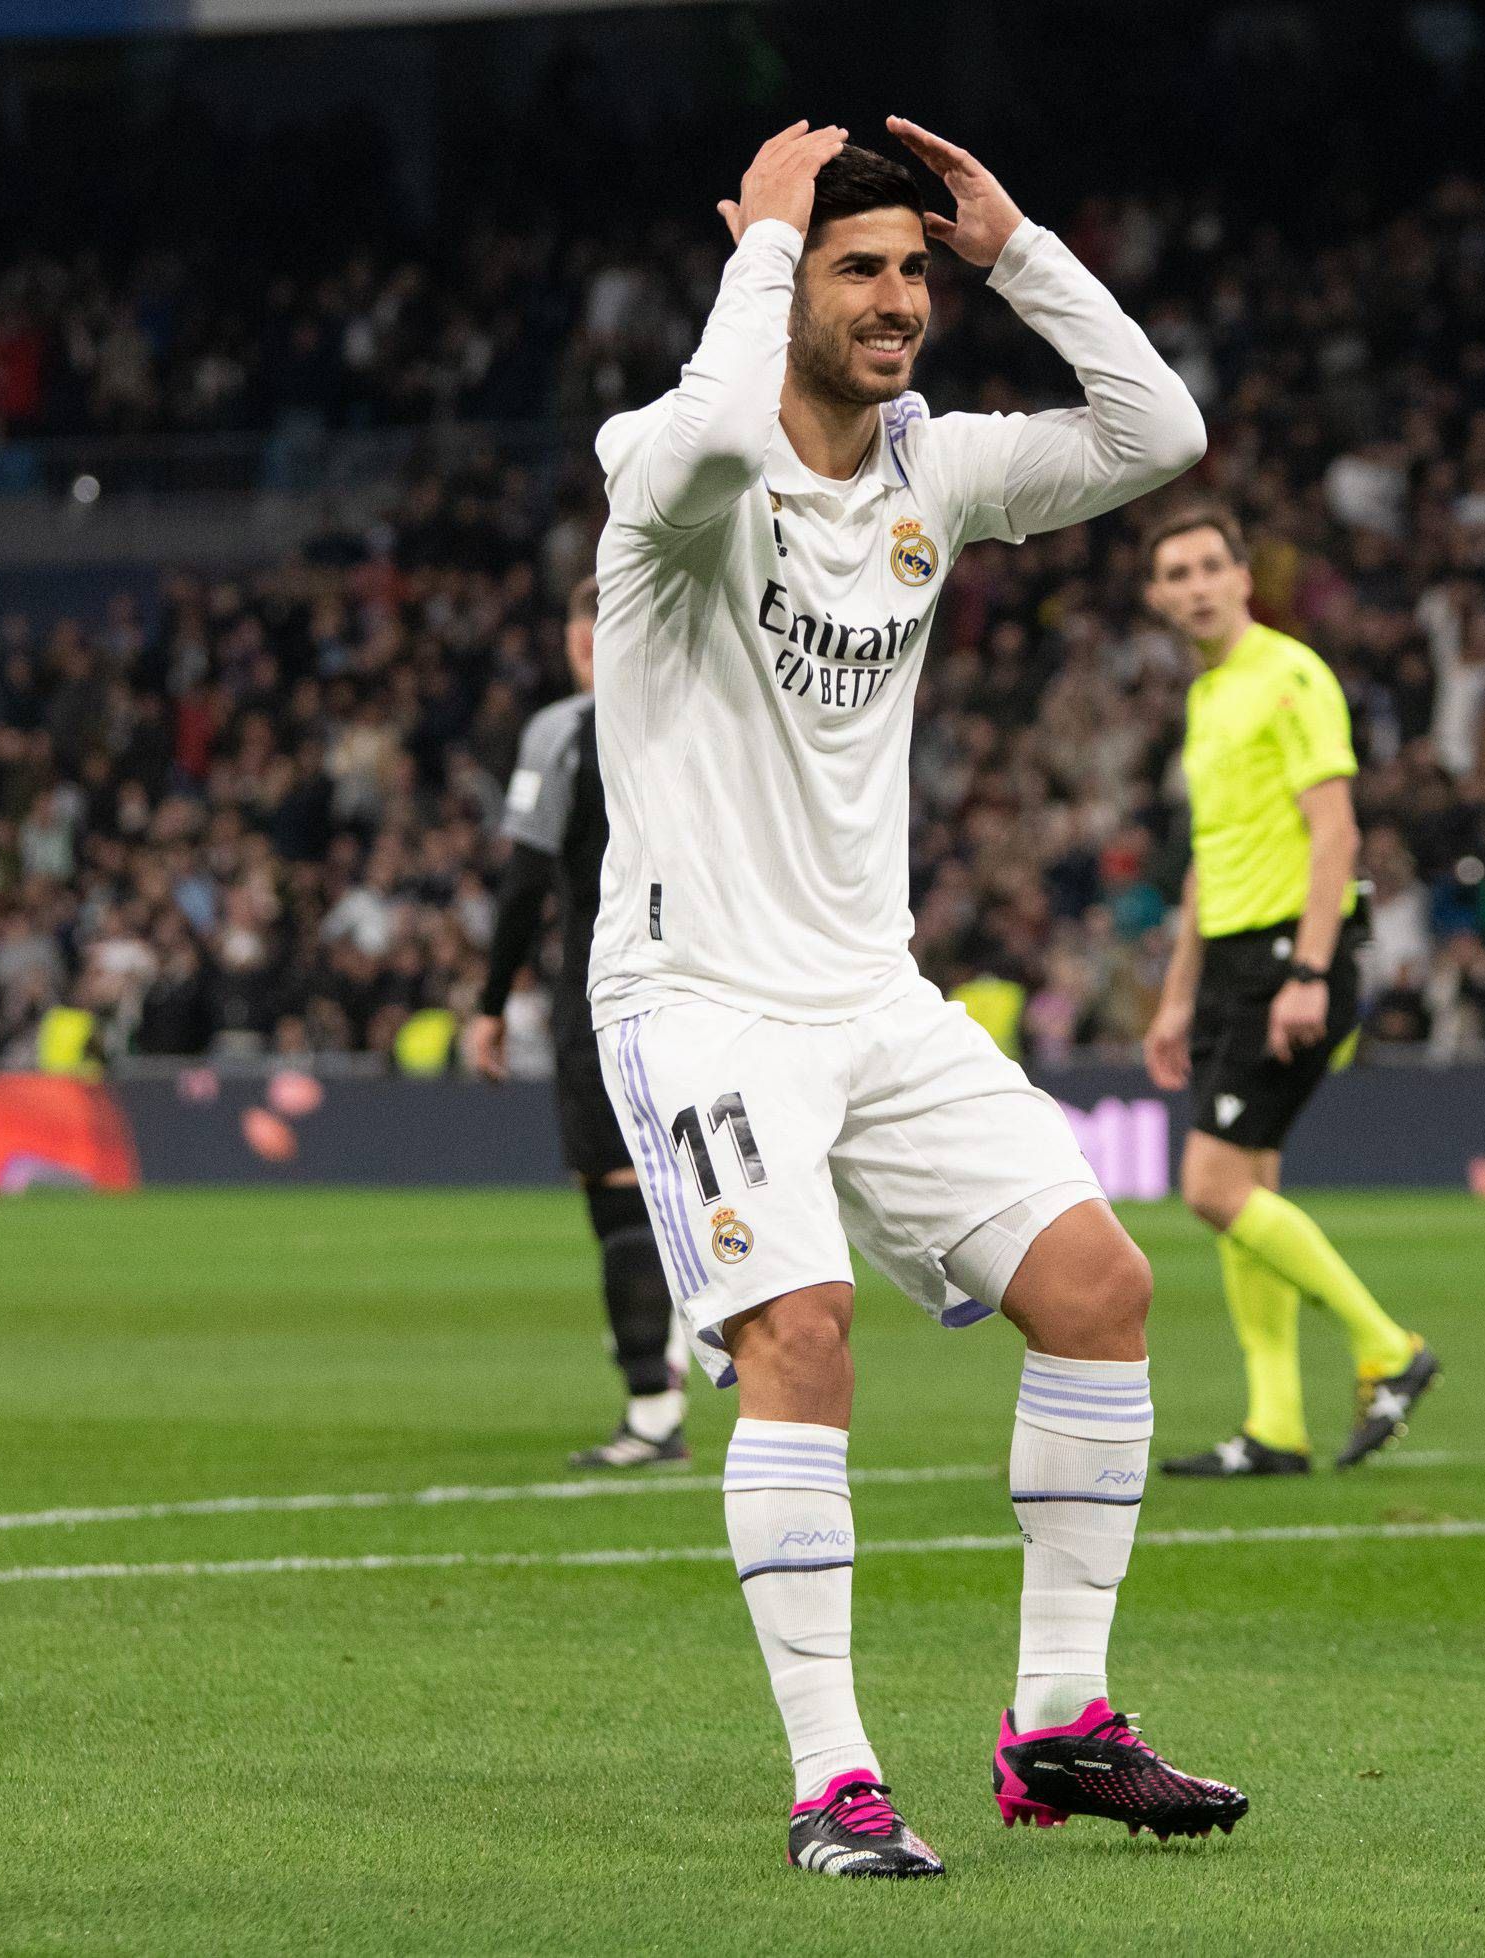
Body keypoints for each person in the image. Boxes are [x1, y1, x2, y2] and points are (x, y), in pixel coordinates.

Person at [586, 121, 1236, 1880]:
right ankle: (834, 1782)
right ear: (781, 275)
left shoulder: (935, 477)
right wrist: (760, 238)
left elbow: (1158, 434)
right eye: (855, 265)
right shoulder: (666, 464)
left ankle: (1058, 1724)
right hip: (703, 995)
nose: (895, 301)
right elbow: (722, 428)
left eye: (912, 273)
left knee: (1103, 1288)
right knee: (801, 1336)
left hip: (872, 993)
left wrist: (1021, 247)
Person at [1137, 506, 1437, 1478]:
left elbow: (1337, 832)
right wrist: (1180, 994)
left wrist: (1309, 970)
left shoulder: (1290, 674)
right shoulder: (1209, 695)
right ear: (1158, 596)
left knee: (1211, 1186)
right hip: (1230, 963)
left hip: (1283, 961)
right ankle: (1274, 1426)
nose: (1193, 585)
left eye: (1207, 567)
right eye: (1174, 573)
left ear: (1241, 578)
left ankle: (1388, 1346)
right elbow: (1204, 864)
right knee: (1247, 1191)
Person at [465, 575, 691, 1470]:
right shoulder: (705, 719)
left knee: (616, 1188)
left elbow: (526, 881)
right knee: (676, 1182)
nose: (588, 639)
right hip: (711, 983)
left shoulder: (567, 730)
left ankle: (651, 1407)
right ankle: (669, 1348)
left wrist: (489, 1004)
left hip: (607, 986)